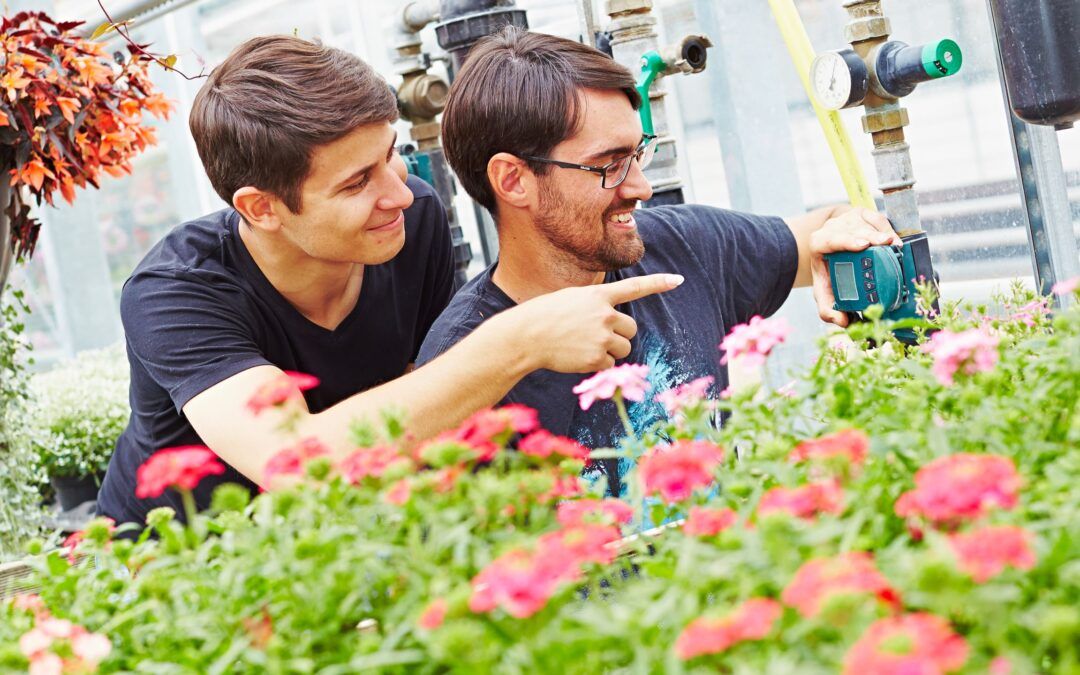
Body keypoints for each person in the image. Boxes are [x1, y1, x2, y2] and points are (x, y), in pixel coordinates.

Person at [96, 35, 682, 526]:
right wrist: (518, 340)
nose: (399, 193)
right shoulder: (176, 292)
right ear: (262, 208)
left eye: (391, 155)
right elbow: (294, 464)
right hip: (173, 564)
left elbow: (429, 388)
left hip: (337, 542)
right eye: (356, 184)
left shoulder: (411, 220)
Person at [415, 27, 900, 495]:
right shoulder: (459, 367)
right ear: (513, 180)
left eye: (638, 153)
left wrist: (842, 234)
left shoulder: (682, 247)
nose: (640, 188)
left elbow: (825, 226)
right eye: (609, 164)